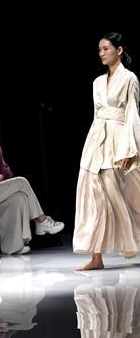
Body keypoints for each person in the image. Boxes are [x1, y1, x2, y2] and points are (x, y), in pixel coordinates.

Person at [74, 32, 140, 271]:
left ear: (119, 50)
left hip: (119, 140)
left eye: (106, 49)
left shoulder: (129, 78)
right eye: (99, 50)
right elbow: (96, 115)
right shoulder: (97, 82)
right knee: (93, 195)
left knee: (125, 195)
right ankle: (96, 257)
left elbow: (132, 113)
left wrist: (129, 149)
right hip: (97, 140)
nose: (101, 53)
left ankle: (131, 241)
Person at [0, 112, 64, 255]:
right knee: (21, 182)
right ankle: (42, 220)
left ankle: (12, 247)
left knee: (19, 198)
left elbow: (5, 171)